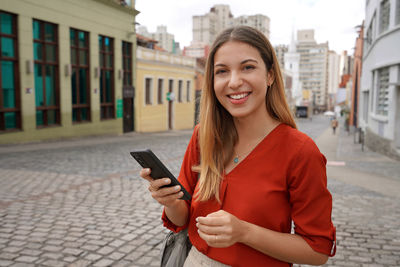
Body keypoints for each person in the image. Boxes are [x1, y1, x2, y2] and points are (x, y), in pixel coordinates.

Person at [140, 26, 336, 266]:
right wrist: (170, 201)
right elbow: (182, 218)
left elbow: (317, 251)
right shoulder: (204, 136)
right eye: (222, 71)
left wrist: (244, 232)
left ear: (270, 75)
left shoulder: (300, 151)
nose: (234, 82)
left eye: (248, 67)